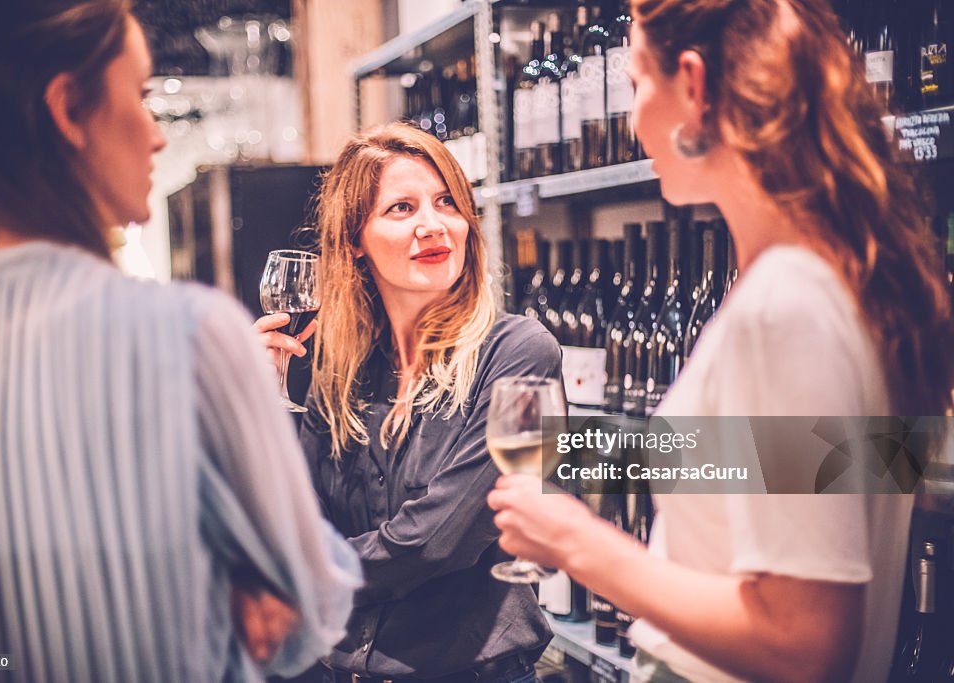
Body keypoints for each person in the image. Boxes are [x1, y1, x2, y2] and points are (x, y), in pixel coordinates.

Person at [488, 1, 954, 682]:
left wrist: (578, 541)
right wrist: (576, 453)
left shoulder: (784, 305)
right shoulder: (837, 279)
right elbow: (791, 467)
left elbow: (804, 644)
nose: (630, 116)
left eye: (636, 82)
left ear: (694, 85)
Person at [0, 2, 361, 681]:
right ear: (69, 110)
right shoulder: (188, 336)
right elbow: (314, 602)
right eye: (140, 95)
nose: (158, 135)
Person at [255, 122, 560, 681]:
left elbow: (441, 540)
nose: (433, 224)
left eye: (447, 202)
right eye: (401, 208)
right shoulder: (339, 366)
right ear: (354, 240)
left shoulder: (520, 354)